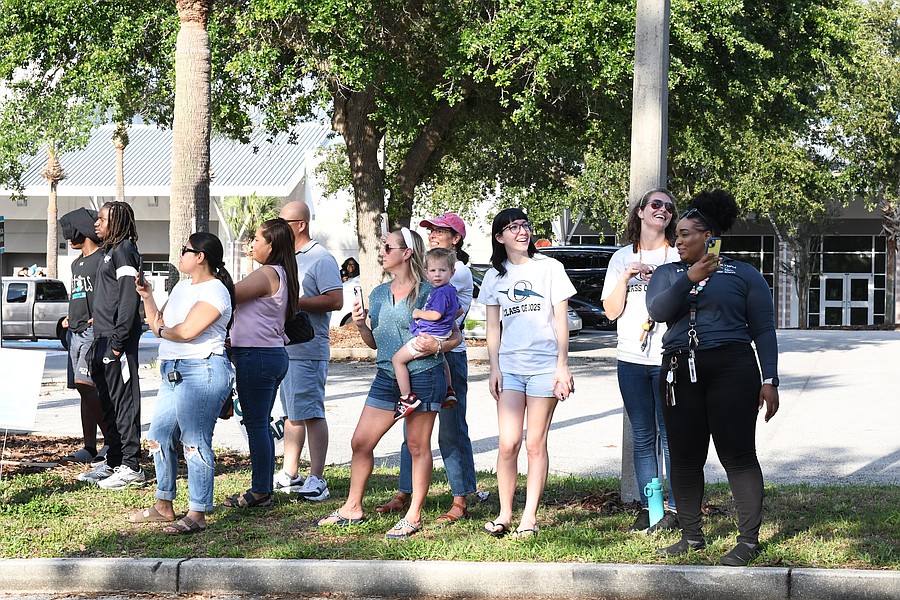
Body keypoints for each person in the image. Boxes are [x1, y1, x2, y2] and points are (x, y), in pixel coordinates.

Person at [646, 189, 779, 566]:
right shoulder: (667, 273)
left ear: (709, 236)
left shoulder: (744, 273)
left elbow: (763, 329)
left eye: (686, 233)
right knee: (685, 456)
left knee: (738, 454)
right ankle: (691, 536)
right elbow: (658, 311)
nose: (677, 240)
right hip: (678, 369)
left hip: (732, 368)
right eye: (676, 234)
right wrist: (690, 277)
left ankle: (748, 541)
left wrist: (770, 379)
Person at [316, 227, 461, 539]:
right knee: (361, 442)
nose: (381, 253)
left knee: (417, 446)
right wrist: (360, 325)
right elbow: (375, 343)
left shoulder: (431, 289)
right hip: (385, 376)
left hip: (424, 375)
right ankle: (352, 508)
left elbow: (456, 336)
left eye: (388, 248)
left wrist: (438, 345)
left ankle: (413, 515)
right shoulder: (379, 294)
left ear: (407, 253)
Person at [479, 208, 575, 539]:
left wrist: (562, 365)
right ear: (499, 237)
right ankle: (505, 513)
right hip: (509, 367)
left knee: (535, 443)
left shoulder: (550, 268)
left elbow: (561, 321)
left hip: (545, 367)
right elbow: (493, 328)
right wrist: (494, 368)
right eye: (512, 227)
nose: (521, 231)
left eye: (524, 225)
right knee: (508, 443)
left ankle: (529, 518)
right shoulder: (494, 277)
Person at [130, 233, 235, 535]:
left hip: (202, 370)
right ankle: (164, 504)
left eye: (184, 250)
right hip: (172, 370)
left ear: (200, 256)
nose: (180, 254)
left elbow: (187, 332)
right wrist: (147, 297)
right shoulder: (181, 287)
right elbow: (159, 326)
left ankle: (197, 512)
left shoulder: (216, 291)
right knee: (159, 437)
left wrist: (164, 330)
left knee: (194, 441)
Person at [377, 212, 478, 525]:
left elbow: (449, 315)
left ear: (456, 240)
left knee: (451, 429)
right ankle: (405, 491)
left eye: (440, 231)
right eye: (430, 230)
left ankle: (460, 498)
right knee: (412, 428)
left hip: (448, 356)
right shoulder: (431, 269)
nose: (433, 234)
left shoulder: (456, 272)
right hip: (422, 353)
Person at [600, 188, 680, 533]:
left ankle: (677, 508)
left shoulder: (676, 255)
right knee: (643, 436)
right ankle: (653, 508)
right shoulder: (622, 257)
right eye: (656, 204)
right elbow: (610, 311)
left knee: (672, 435)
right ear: (641, 212)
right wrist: (626, 277)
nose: (663, 210)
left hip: (668, 357)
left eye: (669, 207)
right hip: (631, 358)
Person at [224, 218, 301, 508]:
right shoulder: (281, 272)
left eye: (257, 239)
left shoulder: (268, 273)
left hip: (257, 355)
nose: (252, 243)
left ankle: (260, 490)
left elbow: (228, 295)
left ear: (272, 246)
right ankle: (263, 489)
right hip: (269, 354)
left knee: (256, 424)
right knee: (260, 424)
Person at [274, 201, 343, 502]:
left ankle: (317, 477)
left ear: (301, 225)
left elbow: (336, 300)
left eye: (284, 223)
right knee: (292, 413)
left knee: (312, 412)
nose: (278, 228)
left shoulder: (320, 258)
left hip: (309, 348)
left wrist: (293, 302)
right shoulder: (284, 257)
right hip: (286, 347)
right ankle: (290, 472)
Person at [77, 201, 144, 490]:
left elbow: (129, 298)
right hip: (101, 339)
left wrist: (117, 344)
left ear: (116, 222)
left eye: (102, 219)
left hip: (117, 343)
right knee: (108, 404)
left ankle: (132, 466)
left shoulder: (124, 250)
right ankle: (115, 460)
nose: (97, 223)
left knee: (124, 403)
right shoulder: (110, 251)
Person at [58, 207, 108, 464]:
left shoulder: (103, 259)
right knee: (82, 389)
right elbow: (79, 295)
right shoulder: (76, 263)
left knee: (85, 383)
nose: (68, 239)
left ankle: (113, 441)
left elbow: (109, 293)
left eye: (71, 233)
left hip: (92, 333)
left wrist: (100, 316)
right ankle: (89, 446)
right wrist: (68, 318)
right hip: (74, 332)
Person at [391, 247, 459, 420]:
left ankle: (406, 398)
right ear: (426, 272)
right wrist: (447, 321)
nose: (437, 275)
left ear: (452, 272)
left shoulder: (440, 292)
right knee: (442, 358)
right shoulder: (451, 290)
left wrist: (418, 313)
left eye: (442, 270)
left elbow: (435, 315)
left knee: (397, 360)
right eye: (433, 271)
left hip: (428, 337)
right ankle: (449, 389)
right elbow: (459, 310)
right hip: (441, 334)